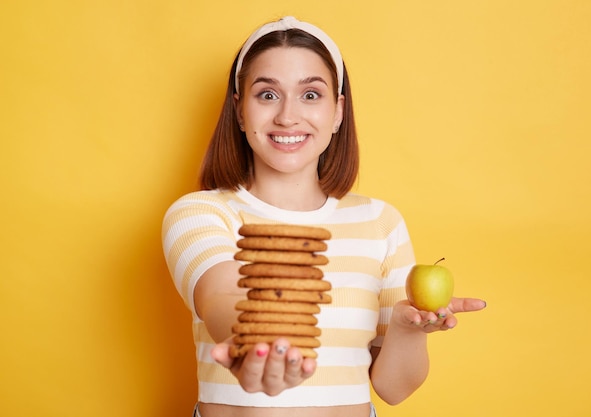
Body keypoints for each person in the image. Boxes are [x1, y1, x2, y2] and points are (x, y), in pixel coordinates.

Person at [161, 16, 486, 417]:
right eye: (266, 95)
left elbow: (394, 389)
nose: (287, 116)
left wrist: (405, 330)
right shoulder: (200, 213)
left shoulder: (380, 222)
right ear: (239, 111)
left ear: (338, 112)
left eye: (311, 95)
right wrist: (253, 347)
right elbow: (222, 297)